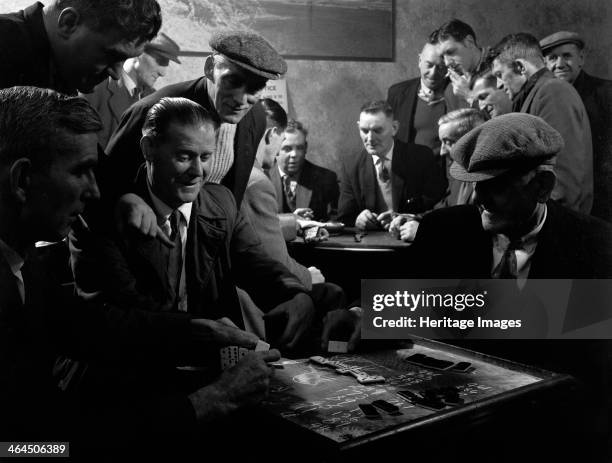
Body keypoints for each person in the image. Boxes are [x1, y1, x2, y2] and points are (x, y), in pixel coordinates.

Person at [0, 87, 280, 456]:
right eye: (82, 171)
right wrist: (210, 402)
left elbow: (90, 325)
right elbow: (34, 447)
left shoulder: (25, 265)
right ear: (23, 181)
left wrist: (198, 330)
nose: (97, 193)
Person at [104, 30, 286, 216]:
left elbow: (233, 199)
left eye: (254, 89)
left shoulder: (255, 118)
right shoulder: (151, 110)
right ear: (209, 68)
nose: (241, 99)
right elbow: (105, 182)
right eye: (232, 81)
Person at [490, 33, 593, 215]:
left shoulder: (553, 92)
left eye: (499, 75)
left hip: (557, 226)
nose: (498, 84)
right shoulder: (539, 94)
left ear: (521, 67)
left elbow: (562, 180)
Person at [0, 0, 161, 94]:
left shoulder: (61, 72)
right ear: (68, 23)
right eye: (111, 56)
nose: (117, 75)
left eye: (124, 60)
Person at [338, 100, 446, 230]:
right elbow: (344, 216)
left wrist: (411, 218)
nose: (370, 138)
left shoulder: (420, 157)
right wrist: (357, 219)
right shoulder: (351, 165)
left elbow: (440, 205)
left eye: (378, 130)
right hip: (370, 243)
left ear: (394, 128)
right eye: (364, 130)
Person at [540, 31, 612, 222]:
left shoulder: (606, 93)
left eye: (567, 56)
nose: (560, 64)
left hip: (603, 198)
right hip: (565, 199)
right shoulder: (546, 101)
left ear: (581, 59)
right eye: (553, 58)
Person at [389, 108, 489, 242]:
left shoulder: (490, 179)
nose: (442, 152)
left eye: (448, 142)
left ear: (471, 140)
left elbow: (480, 233)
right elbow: (445, 210)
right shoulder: (459, 173)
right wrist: (412, 217)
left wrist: (426, 232)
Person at [86, 32, 181, 149]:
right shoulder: (96, 87)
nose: (163, 72)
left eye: (167, 63)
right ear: (137, 52)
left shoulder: (155, 101)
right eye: (160, 60)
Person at [387, 40, 463, 154]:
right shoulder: (397, 93)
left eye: (441, 67)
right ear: (419, 61)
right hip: (408, 168)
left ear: (449, 68)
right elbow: (387, 137)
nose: (433, 73)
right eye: (429, 65)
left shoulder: (460, 93)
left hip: (446, 170)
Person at [268, 119, 339, 221]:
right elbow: (259, 221)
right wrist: (291, 220)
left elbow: (336, 220)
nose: (294, 154)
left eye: (300, 148)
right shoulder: (263, 179)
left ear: (306, 148)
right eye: (287, 149)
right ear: (276, 148)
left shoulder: (326, 179)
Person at [431, 18, 490, 106]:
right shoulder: (452, 91)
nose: (447, 63)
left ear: (469, 42)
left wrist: (469, 95)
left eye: (450, 52)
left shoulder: (503, 67)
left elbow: (509, 116)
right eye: (443, 57)